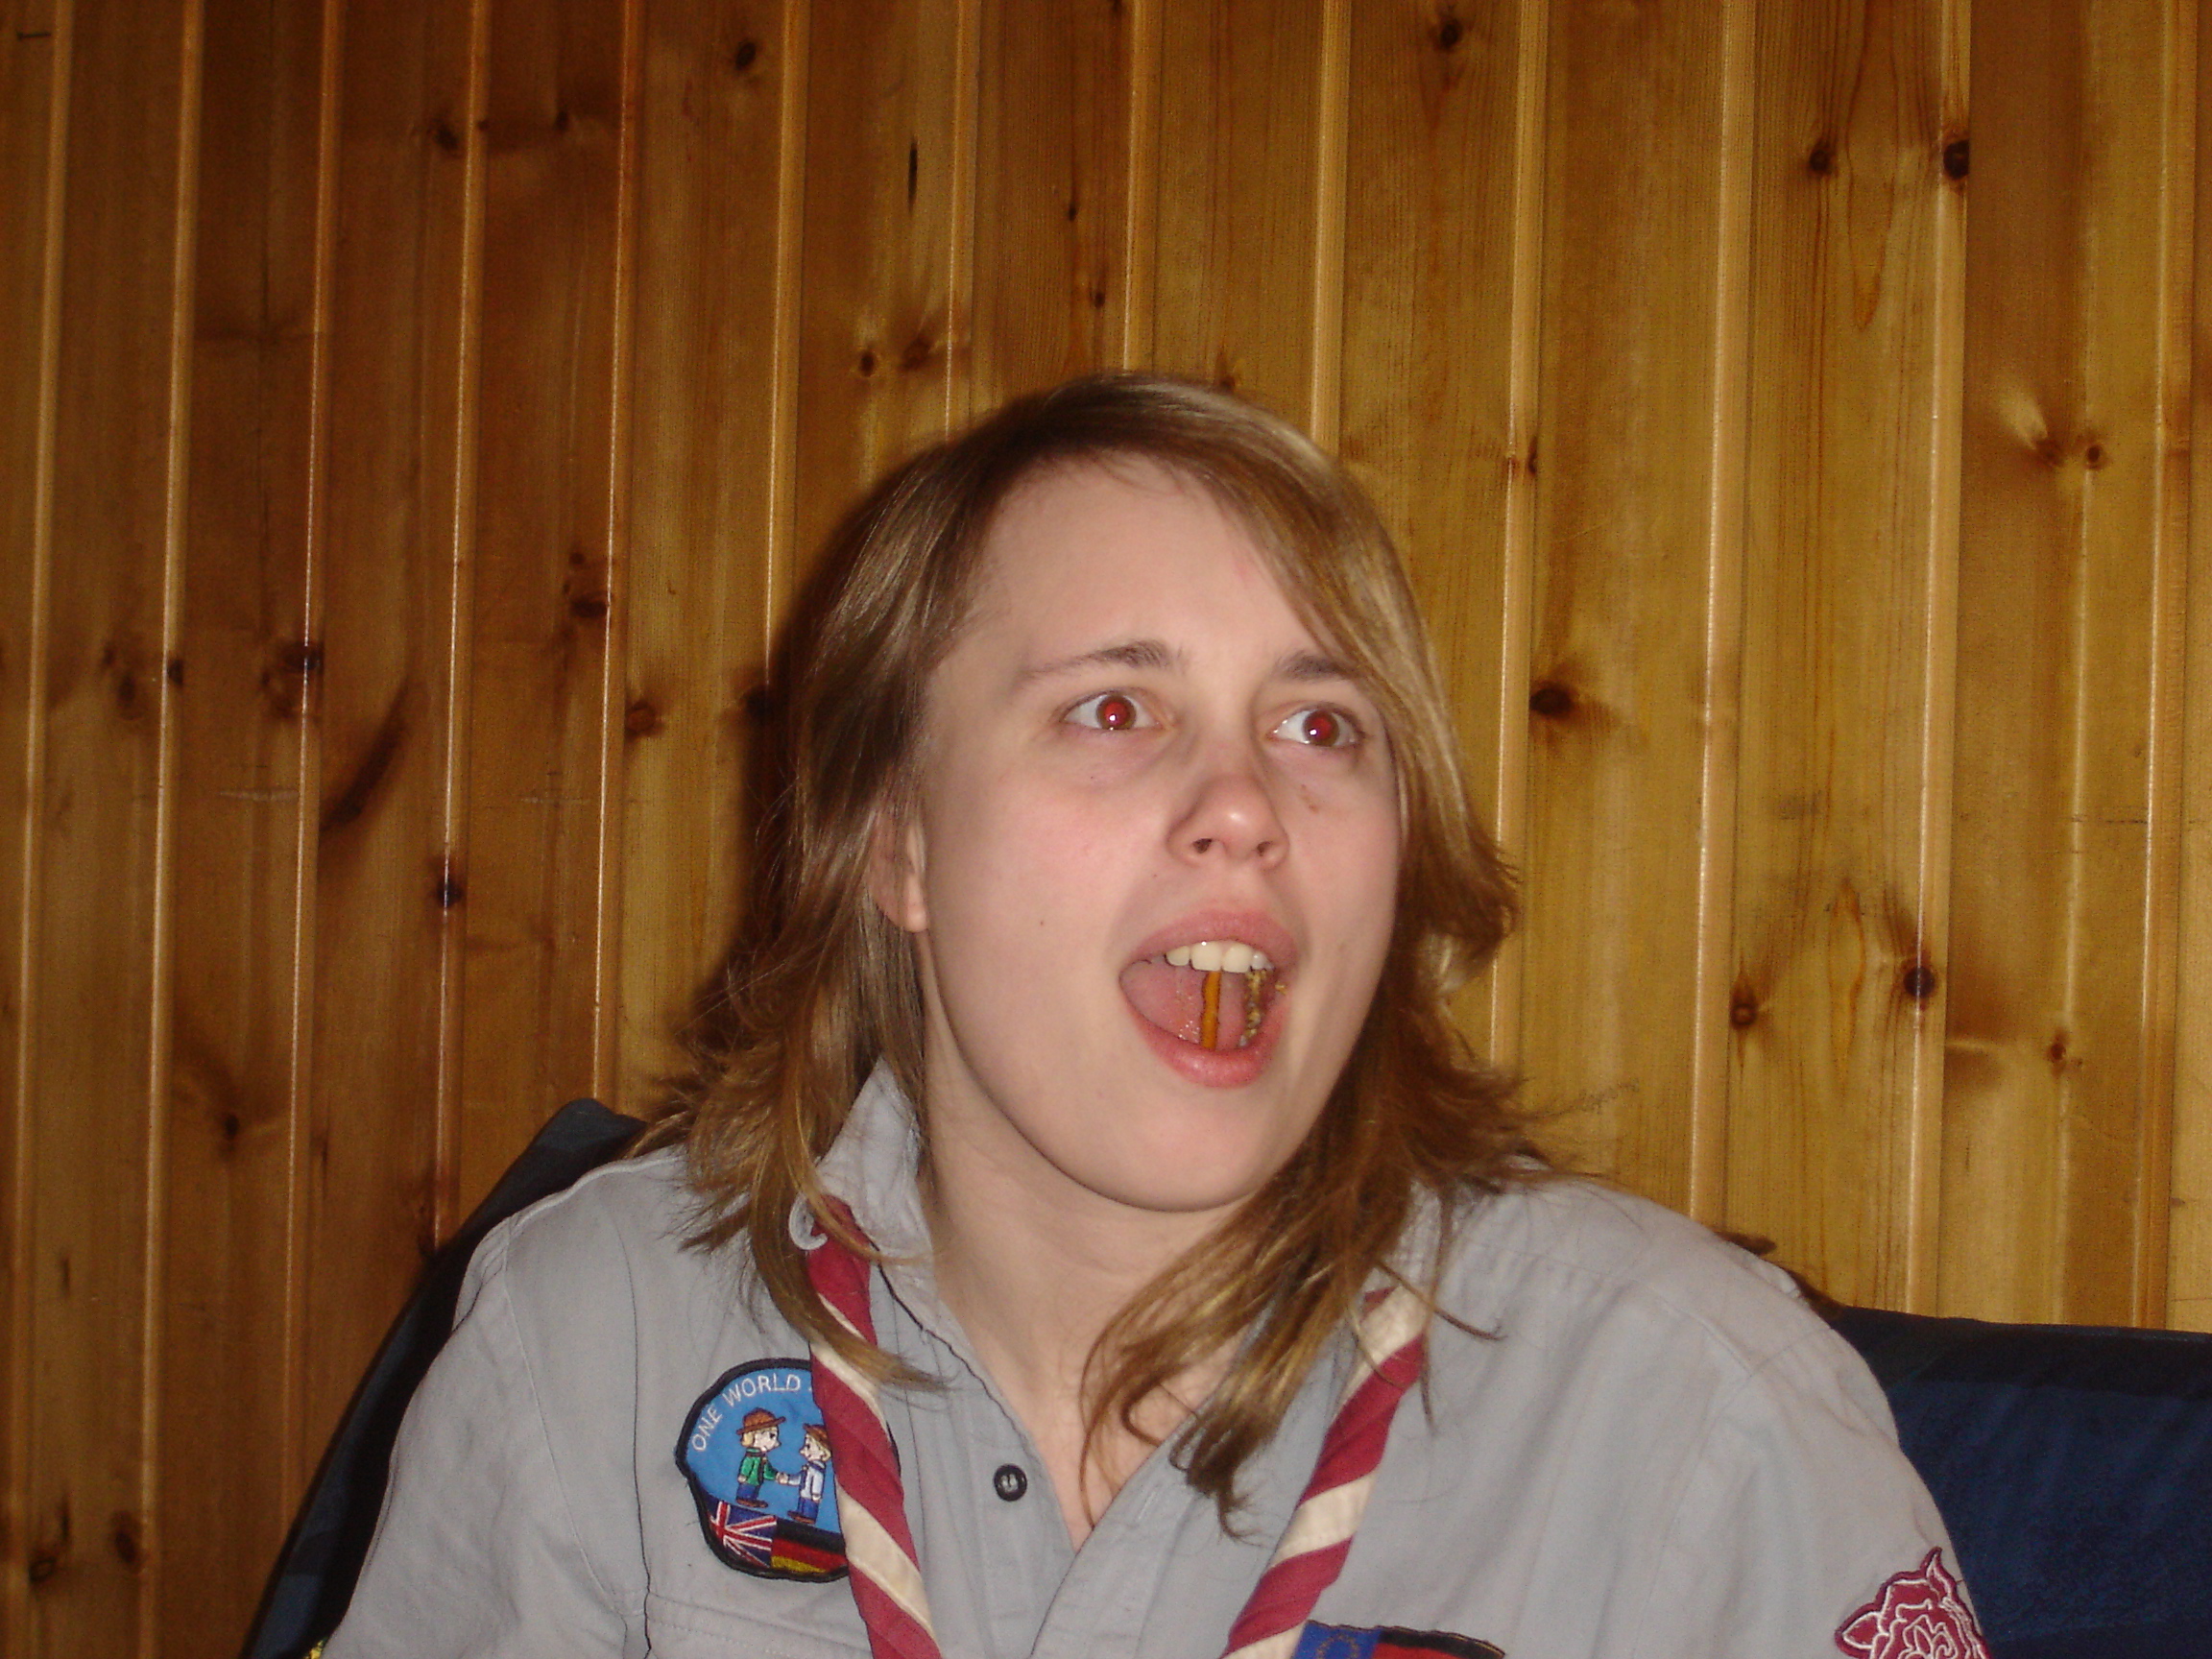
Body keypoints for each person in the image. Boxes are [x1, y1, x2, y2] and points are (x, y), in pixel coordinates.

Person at [326, 373, 1986, 1659]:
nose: (1246, 804)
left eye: (1323, 726)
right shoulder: (596, 1344)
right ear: (896, 843)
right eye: (1114, 709)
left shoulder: (1698, 1414)